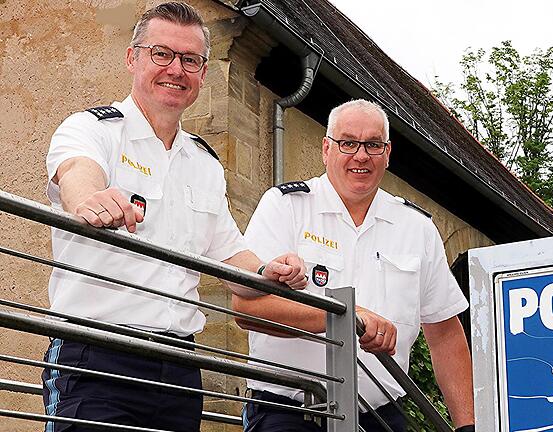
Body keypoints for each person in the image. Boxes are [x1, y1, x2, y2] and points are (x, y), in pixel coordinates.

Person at [42, 3, 306, 431]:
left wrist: (266, 270)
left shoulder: (205, 163)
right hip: (97, 353)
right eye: (161, 54)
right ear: (133, 58)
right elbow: (76, 173)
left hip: (180, 367)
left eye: (190, 60)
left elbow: (227, 254)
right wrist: (90, 199)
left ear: (203, 73)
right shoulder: (91, 128)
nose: (176, 69)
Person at [233, 99, 475, 432]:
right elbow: (246, 309)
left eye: (373, 145)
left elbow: (445, 333)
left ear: (387, 153)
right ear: (326, 149)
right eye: (348, 143)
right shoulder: (285, 207)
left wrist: (467, 427)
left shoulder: (416, 228)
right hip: (291, 416)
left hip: (382, 419)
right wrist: (348, 317)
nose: (361, 156)